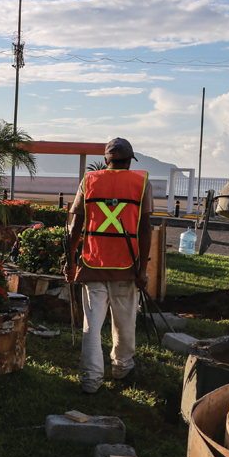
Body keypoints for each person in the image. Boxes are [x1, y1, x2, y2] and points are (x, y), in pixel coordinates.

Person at [66, 138, 152, 394]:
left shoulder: (89, 180)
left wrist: (70, 263)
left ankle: (91, 382)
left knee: (91, 327)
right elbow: (146, 228)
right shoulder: (141, 182)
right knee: (125, 323)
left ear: (106, 161)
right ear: (129, 161)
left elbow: (74, 228)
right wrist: (142, 270)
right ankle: (122, 367)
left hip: (93, 264)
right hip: (126, 266)